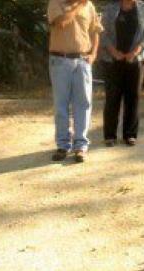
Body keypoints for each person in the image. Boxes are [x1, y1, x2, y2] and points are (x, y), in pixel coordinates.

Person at [47, 0, 103, 163]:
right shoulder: (55, 3)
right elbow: (62, 23)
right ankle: (63, 145)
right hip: (60, 60)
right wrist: (78, 5)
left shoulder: (89, 6)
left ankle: (81, 146)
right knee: (61, 105)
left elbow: (95, 31)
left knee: (83, 104)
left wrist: (93, 55)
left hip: (83, 60)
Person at [100, 0, 144, 147]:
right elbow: (101, 32)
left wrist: (134, 52)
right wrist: (113, 52)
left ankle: (130, 134)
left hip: (136, 59)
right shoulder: (110, 8)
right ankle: (110, 135)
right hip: (112, 59)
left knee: (133, 96)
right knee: (112, 97)